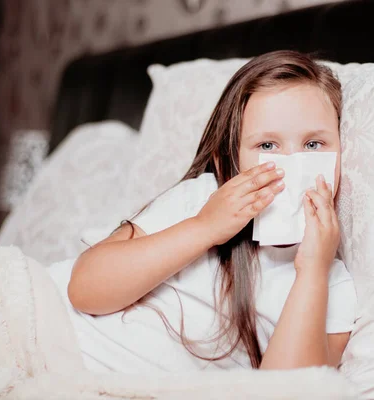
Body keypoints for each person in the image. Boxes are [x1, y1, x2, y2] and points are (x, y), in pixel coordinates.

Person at [47, 50, 357, 374]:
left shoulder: (331, 283)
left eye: (313, 145)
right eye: (267, 146)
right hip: (53, 327)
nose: (291, 164)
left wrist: (312, 271)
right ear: (228, 162)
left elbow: (285, 390)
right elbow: (83, 290)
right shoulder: (201, 200)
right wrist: (205, 227)